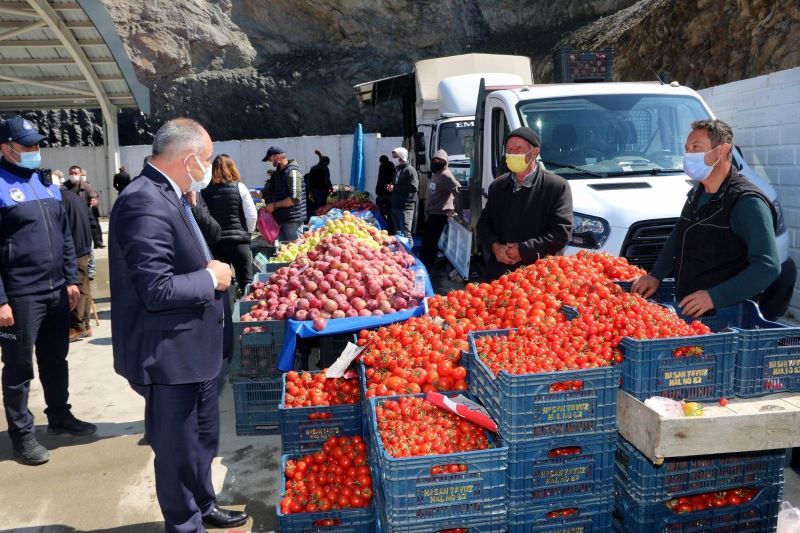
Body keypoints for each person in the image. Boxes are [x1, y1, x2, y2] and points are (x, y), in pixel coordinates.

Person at [109, 118, 247, 531]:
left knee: (203, 439)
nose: (207, 167)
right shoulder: (143, 200)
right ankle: (185, 524)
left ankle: (203, 503)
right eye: (205, 159)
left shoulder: (174, 193)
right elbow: (156, 287)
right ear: (189, 159)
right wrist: (210, 278)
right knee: (176, 450)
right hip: (170, 354)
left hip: (196, 349)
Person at [0, 117, 96, 466]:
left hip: (57, 289)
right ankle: (23, 434)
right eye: (26, 146)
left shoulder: (46, 184)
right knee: (19, 367)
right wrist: (1, 300)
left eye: (37, 145)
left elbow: (65, 236)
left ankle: (59, 416)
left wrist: (71, 280)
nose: (34, 152)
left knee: (56, 359)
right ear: (6, 147)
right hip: (20, 294)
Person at [631, 119, 780, 317]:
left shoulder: (747, 203)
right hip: (693, 312)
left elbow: (767, 266)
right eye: (687, 148)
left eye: (696, 148)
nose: (689, 155)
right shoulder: (698, 192)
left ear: (722, 150)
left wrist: (714, 297)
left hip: (728, 316)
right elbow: (679, 234)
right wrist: (656, 275)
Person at [477, 127, 573, 282]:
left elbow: (561, 233)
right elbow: (484, 224)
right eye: (509, 149)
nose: (512, 154)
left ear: (534, 152)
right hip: (501, 274)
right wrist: (495, 247)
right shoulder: (498, 186)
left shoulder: (556, 187)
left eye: (518, 149)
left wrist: (523, 250)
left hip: (541, 276)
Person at [202, 154, 258, 290]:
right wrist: (248, 232)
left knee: (224, 284)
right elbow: (251, 215)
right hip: (239, 242)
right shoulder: (239, 187)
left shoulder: (204, 191)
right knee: (246, 280)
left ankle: (229, 310)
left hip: (217, 243)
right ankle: (248, 309)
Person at [60, 180, 94, 342]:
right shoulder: (74, 197)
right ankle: (85, 325)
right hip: (84, 245)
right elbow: (91, 219)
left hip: (74, 247)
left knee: (77, 287)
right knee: (84, 286)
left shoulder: (60, 199)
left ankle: (77, 326)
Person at [421, 149, 459, 269]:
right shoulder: (436, 173)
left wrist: (454, 208)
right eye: (434, 160)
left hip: (440, 215)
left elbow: (458, 190)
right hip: (432, 213)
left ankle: (427, 266)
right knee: (427, 241)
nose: (436, 162)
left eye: (439, 160)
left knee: (431, 243)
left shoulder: (446, 175)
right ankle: (425, 263)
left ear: (445, 162)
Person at [261, 146, 306, 242]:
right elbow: (266, 192)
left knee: (295, 251)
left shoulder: (293, 172)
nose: (271, 162)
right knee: (283, 252)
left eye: (271, 159)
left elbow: (295, 198)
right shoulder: (278, 173)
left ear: (277, 157)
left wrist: (275, 205)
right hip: (280, 219)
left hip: (292, 221)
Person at [64, 166, 104, 249]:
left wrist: (95, 202)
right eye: (71, 173)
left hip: (83, 217)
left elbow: (94, 197)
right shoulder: (64, 187)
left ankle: (90, 258)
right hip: (69, 217)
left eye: (75, 173)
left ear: (80, 174)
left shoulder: (86, 186)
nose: (73, 175)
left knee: (86, 242)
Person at [388, 147, 418, 239]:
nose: (394, 159)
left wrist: (395, 188)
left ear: (402, 157)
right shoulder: (398, 169)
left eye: (395, 157)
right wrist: (391, 187)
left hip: (405, 208)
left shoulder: (410, 170)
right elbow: (397, 184)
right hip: (395, 206)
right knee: (398, 234)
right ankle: (400, 252)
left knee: (406, 234)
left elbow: (414, 187)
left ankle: (409, 253)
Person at [307, 149, 333, 215]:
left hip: (313, 190)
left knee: (316, 206)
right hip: (322, 190)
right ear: (326, 162)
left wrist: (310, 189)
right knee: (323, 206)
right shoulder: (325, 168)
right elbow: (326, 180)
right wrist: (331, 187)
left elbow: (309, 179)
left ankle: (317, 216)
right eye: (328, 163)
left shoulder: (313, 168)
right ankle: (322, 218)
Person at [376, 154, 395, 231]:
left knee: (383, 212)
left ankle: (386, 228)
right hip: (391, 194)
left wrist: (378, 192)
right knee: (390, 213)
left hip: (384, 194)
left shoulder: (383, 167)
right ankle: (390, 228)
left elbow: (380, 181)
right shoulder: (392, 167)